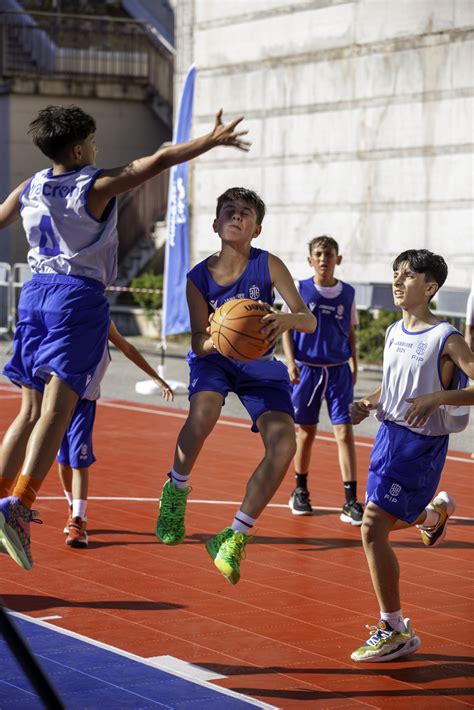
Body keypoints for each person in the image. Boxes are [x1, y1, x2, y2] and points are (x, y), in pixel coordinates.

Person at [0, 104, 250, 570]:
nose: (97, 150)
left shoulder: (31, 185)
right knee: (58, 410)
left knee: (28, 409)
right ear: (78, 149)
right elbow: (153, 163)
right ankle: (18, 505)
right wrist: (209, 141)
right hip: (76, 296)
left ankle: (2, 496)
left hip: (32, 294)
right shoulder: (91, 184)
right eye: (93, 143)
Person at [155, 187, 316, 585]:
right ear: (216, 223)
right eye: (229, 210)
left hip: (259, 364)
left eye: (246, 212)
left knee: (285, 444)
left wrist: (285, 321)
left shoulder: (268, 264)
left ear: (256, 228)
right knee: (204, 411)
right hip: (215, 360)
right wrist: (219, 338)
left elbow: (307, 319)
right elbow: (196, 339)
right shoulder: (198, 277)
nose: (237, 215)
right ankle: (175, 491)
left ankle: (235, 535)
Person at [350, 249, 474, 662]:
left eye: (408, 276)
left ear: (431, 287)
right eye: (395, 274)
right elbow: (392, 387)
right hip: (388, 437)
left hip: (419, 446)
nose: (398, 281)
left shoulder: (446, 338)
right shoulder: (392, 331)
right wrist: (366, 402)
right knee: (380, 520)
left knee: (371, 526)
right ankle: (432, 516)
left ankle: (394, 628)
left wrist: (439, 396)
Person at [0, 320, 173, 548]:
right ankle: (73, 506)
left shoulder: (99, 315)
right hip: (56, 396)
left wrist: (155, 376)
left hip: (83, 401)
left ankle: (78, 519)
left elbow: (126, 347)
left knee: (78, 461)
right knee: (63, 461)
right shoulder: (64, 313)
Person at [282, 235, 363, 523]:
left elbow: (351, 332)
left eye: (329, 254)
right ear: (310, 260)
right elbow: (286, 329)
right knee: (306, 431)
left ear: (337, 259)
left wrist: (356, 363)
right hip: (307, 369)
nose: (323, 259)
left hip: (339, 370)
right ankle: (300, 490)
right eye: (318, 254)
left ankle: (351, 499)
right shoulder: (300, 290)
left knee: (344, 432)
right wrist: (290, 363)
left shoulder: (348, 293)